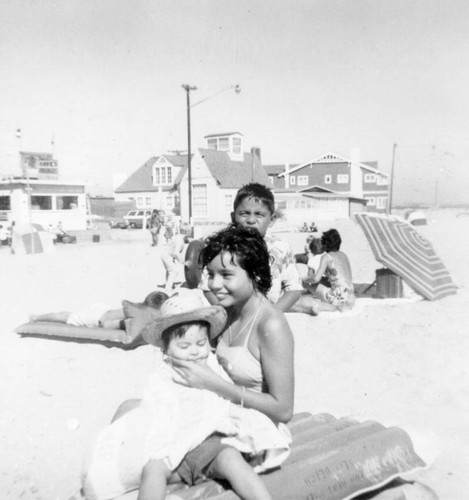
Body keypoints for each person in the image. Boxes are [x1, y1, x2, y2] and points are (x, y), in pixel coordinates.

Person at [82, 290, 290, 500]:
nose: (194, 351)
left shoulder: (210, 366)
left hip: (209, 440)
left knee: (231, 461)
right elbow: (156, 405)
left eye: (201, 344)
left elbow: (223, 398)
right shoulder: (163, 373)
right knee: (152, 469)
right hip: (172, 443)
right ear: (166, 350)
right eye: (184, 346)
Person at [202, 183, 303, 313]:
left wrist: (272, 314)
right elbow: (207, 287)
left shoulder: (280, 248)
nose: (251, 220)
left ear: (272, 220)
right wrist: (229, 314)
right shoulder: (222, 247)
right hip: (232, 316)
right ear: (233, 217)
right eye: (244, 214)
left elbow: (294, 289)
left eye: (259, 214)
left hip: (267, 315)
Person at [291, 228, 355, 314]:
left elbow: (315, 279)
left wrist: (303, 280)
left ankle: (330, 306)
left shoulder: (327, 257)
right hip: (351, 297)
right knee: (326, 280)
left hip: (338, 298)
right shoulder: (344, 255)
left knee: (308, 282)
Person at [29, 290, 168, 330]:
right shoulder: (139, 317)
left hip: (103, 309)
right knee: (64, 317)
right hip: (95, 317)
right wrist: (120, 326)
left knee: (67, 315)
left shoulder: (140, 308)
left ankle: (36, 316)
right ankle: (36, 318)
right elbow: (105, 325)